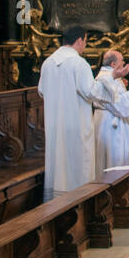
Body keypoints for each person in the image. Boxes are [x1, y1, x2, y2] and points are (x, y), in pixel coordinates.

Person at [37, 26, 96, 198]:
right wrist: (109, 82)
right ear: (79, 40)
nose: (85, 45)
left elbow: (41, 90)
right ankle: (78, 200)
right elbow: (90, 92)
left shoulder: (48, 63)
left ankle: (56, 198)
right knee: (76, 162)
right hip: (76, 124)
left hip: (54, 123)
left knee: (58, 161)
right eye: (85, 41)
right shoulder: (79, 63)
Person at [92, 50, 129, 174]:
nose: (124, 63)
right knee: (113, 160)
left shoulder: (111, 76)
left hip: (111, 122)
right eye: (122, 61)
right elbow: (117, 103)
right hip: (110, 126)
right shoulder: (105, 78)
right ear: (113, 64)